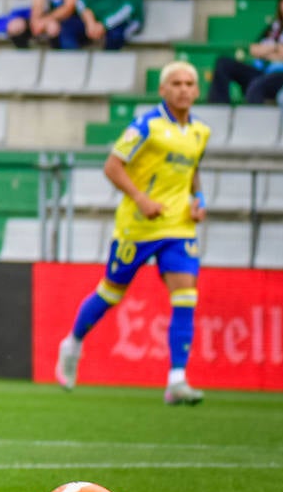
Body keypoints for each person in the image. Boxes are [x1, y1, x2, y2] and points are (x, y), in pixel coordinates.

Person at [55, 61, 210, 406]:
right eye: (177, 83)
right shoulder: (146, 126)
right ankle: (73, 343)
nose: (184, 89)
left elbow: (194, 169)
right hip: (137, 226)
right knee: (111, 294)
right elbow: (112, 166)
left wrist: (198, 201)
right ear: (163, 89)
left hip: (178, 226)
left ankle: (177, 380)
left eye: (189, 83)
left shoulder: (200, 132)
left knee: (186, 297)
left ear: (197, 91)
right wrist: (141, 199)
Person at [208, 0, 283, 104]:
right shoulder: (272, 27)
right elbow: (254, 50)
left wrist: (271, 49)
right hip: (261, 71)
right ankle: (219, 110)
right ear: (280, 4)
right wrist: (279, 49)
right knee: (223, 63)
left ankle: (254, 122)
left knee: (256, 86)